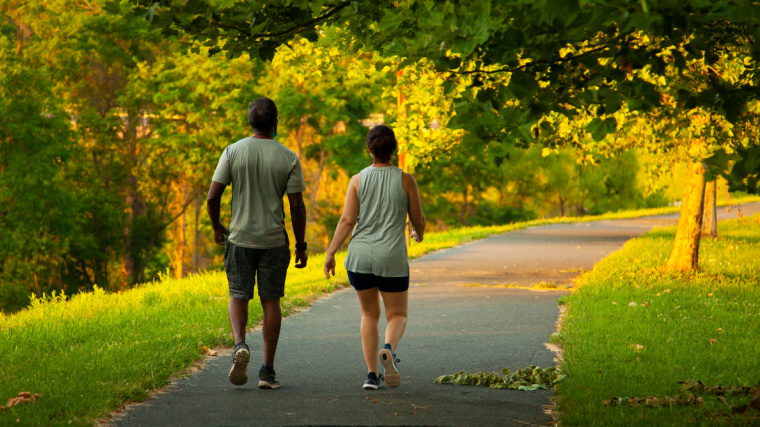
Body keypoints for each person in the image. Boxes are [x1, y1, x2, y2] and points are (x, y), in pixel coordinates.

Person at [206, 97, 308, 389]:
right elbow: (297, 206)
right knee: (271, 300)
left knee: (238, 295)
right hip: (274, 240)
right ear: (276, 122)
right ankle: (267, 371)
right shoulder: (288, 157)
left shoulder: (232, 152)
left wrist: (217, 227)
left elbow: (213, 197)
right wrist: (300, 244)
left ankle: (240, 344)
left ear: (249, 122)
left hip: (239, 239)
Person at [323, 124, 425, 390]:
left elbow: (347, 220)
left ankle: (371, 376)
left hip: (360, 258)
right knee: (398, 314)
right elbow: (419, 219)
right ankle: (388, 350)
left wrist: (331, 252)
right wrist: (418, 233)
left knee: (369, 314)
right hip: (391, 258)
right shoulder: (406, 180)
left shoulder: (357, 180)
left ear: (370, 149)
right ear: (394, 149)